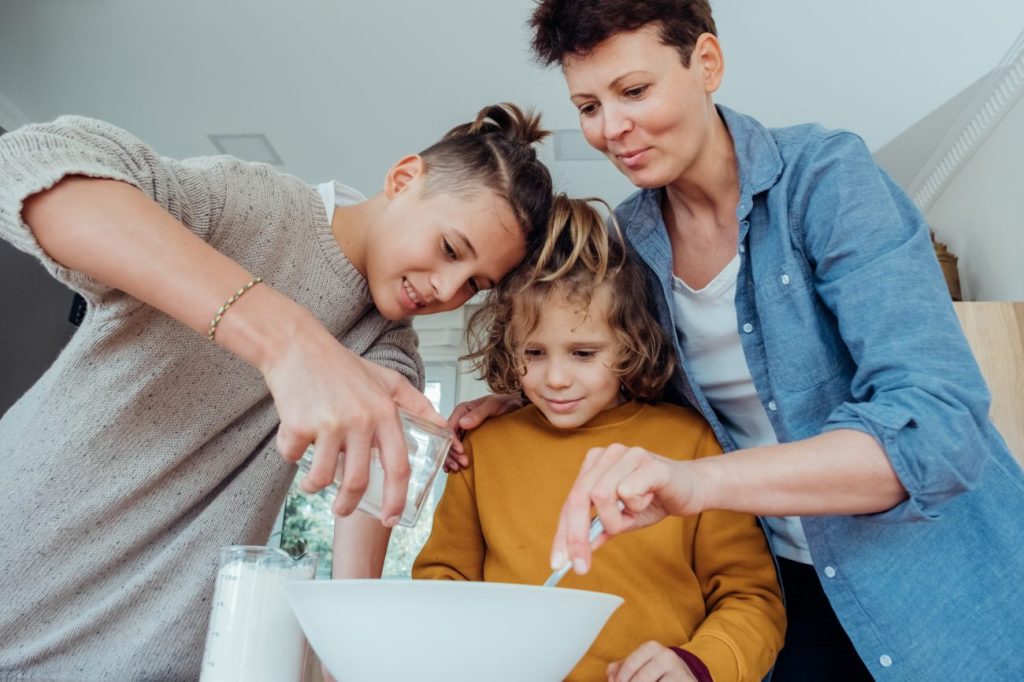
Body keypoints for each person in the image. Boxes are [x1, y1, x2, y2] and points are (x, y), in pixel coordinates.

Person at [446, 2, 1024, 680]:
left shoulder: (827, 182)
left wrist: (698, 483)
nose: (611, 128)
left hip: (939, 581)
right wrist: (517, 402)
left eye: (634, 91)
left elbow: (938, 430)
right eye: (589, 105)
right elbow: (617, 373)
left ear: (707, 64)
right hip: (788, 591)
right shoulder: (629, 248)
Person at [0, 102, 553, 678]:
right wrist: (287, 339)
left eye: (474, 286)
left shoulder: (388, 360)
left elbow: (357, 569)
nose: (446, 289)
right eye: (449, 249)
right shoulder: (256, 206)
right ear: (404, 179)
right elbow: (31, 162)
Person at [415, 195, 785, 682]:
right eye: (534, 352)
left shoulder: (690, 443)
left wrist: (699, 665)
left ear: (630, 345)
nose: (556, 379)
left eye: (584, 353)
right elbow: (442, 583)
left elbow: (750, 597)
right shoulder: (483, 448)